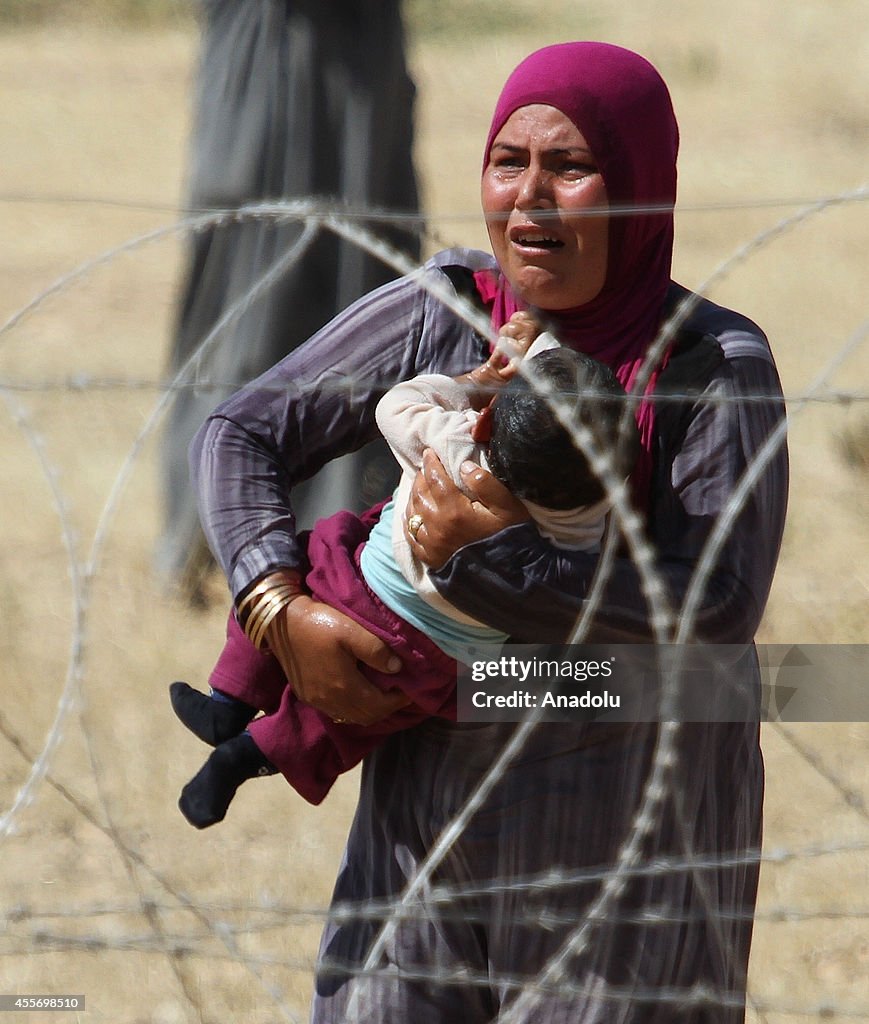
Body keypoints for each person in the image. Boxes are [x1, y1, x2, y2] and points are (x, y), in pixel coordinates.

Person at [187, 41, 788, 1024]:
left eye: (571, 167)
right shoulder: (445, 315)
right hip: (426, 815)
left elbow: (713, 607)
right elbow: (240, 429)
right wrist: (276, 607)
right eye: (508, 161)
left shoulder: (706, 366)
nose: (529, 199)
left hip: (625, 834)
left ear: (640, 187)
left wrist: (483, 552)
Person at [171, 311, 640, 824]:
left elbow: (396, 406)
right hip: (439, 663)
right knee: (345, 724)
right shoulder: (584, 516)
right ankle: (242, 758)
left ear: (485, 420)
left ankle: (228, 700)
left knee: (292, 561)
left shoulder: (457, 443)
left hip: (357, 587)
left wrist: (478, 382)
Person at [157, 0, 420, 599]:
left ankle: (348, 532)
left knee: (367, 302)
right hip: (264, 63)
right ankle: (209, 530)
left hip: (359, 69)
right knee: (246, 311)